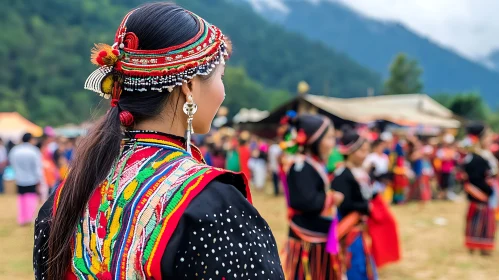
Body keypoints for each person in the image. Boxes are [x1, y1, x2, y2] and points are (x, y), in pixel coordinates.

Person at [33, 4, 283, 280]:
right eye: (220, 77)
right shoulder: (211, 206)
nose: (222, 92)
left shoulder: (67, 196)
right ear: (188, 86)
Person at [281, 114, 345, 280]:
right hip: (307, 240)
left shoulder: (312, 164)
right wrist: (331, 199)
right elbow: (305, 202)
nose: (333, 143)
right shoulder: (301, 166)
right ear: (315, 140)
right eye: (330, 137)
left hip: (318, 236)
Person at [332, 129, 378, 280]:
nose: (365, 154)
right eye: (362, 150)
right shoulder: (342, 175)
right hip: (348, 230)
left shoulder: (359, 172)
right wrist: (365, 207)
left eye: (367, 150)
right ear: (350, 151)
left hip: (359, 229)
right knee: (354, 267)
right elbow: (345, 204)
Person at [461, 123, 496, 256]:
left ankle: (483, 246)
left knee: (485, 221)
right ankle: (477, 245)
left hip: (487, 196)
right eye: (487, 136)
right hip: (480, 197)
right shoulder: (475, 158)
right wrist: (482, 193)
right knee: (478, 221)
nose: (490, 139)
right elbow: (471, 180)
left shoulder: (486, 156)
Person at [9, 133, 42, 226]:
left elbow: (12, 163)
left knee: (21, 199)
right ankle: (30, 217)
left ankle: (21, 218)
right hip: (31, 178)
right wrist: (39, 179)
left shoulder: (15, 150)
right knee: (31, 199)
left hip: (19, 178)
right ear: (31, 139)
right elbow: (37, 166)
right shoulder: (34, 150)